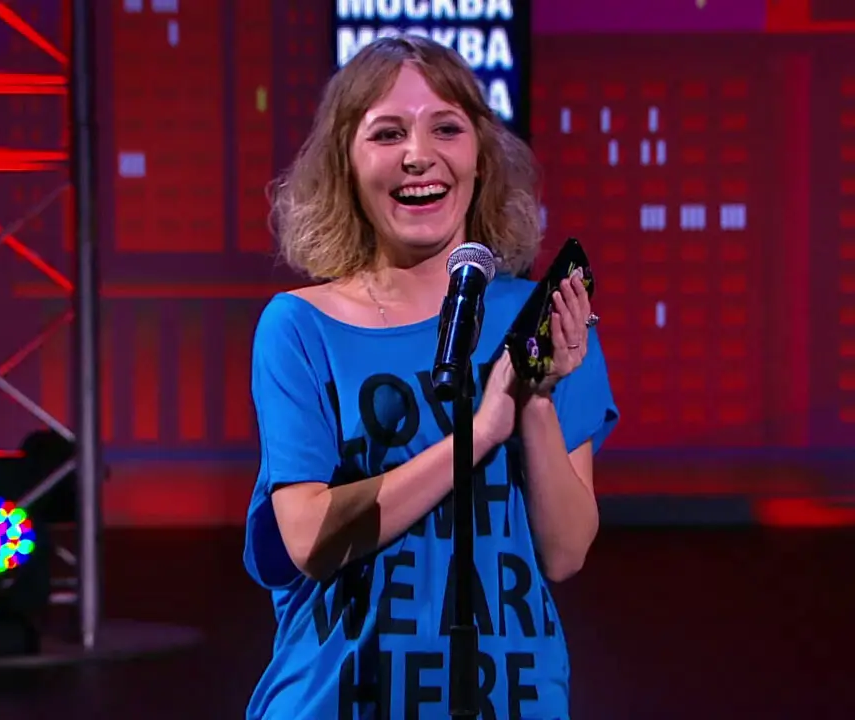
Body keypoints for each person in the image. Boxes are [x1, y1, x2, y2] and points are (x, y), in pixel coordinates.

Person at [242, 35, 618, 720]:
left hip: (511, 701)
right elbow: (309, 539)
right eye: (387, 133)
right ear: (346, 165)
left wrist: (533, 399)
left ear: (480, 158)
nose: (419, 155)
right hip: (339, 701)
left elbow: (565, 553)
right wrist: (481, 431)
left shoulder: (541, 320)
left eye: (446, 128)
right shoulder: (299, 328)